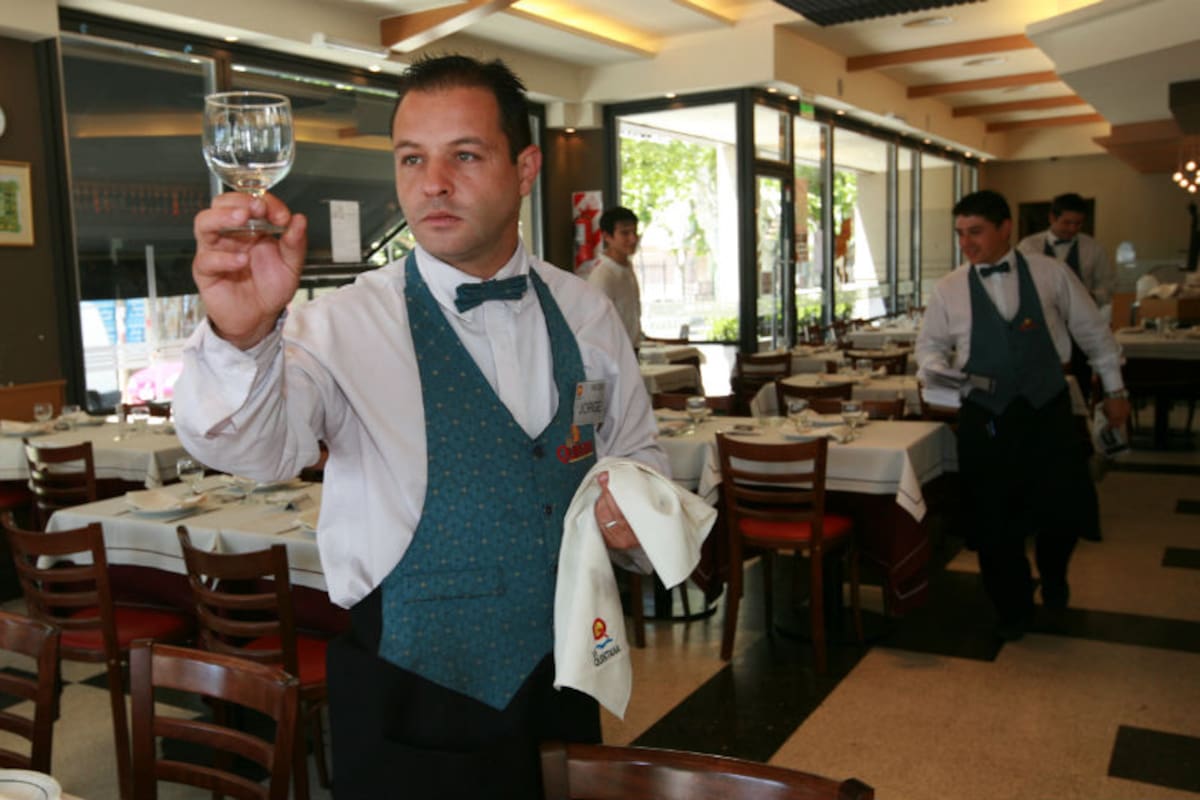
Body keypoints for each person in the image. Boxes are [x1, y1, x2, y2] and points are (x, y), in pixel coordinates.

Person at [172, 54, 668, 797]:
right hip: (410, 689)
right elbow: (256, 452)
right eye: (412, 159)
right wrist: (240, 335)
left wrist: (637, 511)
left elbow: (635, 453)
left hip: (564, 676)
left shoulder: (586, 311)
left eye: (464, 155)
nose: (432, 183)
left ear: (524, 168)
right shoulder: (338, 323)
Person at [916, 190, 1130, 641]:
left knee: (1062, 511)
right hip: (986, 416)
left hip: (1045, 407)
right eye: (960, 234)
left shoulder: (1051, 274)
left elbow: (1094, 333)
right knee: (993, 519)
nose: (966, 244)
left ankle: (1053, 574)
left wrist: (1114, 390)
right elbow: (930, 347)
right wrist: (939, 372)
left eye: (975, 232)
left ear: (1005, 228)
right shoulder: (949, 288)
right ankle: (1012, 608)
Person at [1018, 192, 1115, 400]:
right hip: (1040, 328)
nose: (1072, 229)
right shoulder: (1028, 247)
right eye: (1067, 223)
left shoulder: (1093, 249)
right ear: (1052, 218)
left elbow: (1106, 287)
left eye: (1077, 224)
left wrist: (1089, 297)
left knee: (1079, 386)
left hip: (1078, 329)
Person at [587, 206, 643, 346]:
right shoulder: (603, 274)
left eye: (634, 232)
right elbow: (597, 327)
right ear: (607, 236)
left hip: (632, 349)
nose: (633, 239)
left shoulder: (627, 267)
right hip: (612, 352)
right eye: (625, 233)